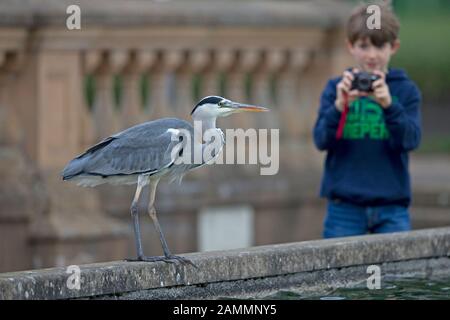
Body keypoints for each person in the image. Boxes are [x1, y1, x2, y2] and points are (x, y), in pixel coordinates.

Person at [313, 3, 422, 238]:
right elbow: (321, 140)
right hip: (344, 207)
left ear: (394, 47)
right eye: (364, 45)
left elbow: (411, 140)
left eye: (380, 45)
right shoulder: (336, 88)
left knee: (396, 273)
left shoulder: (405, 90)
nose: (372, 55)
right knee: (340, 273)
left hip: (391, 207)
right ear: (350, 46)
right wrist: (339, 107)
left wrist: (389, 105)